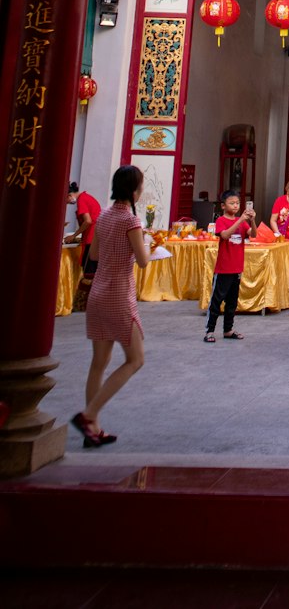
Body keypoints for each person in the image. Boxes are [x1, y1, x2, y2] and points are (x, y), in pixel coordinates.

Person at [73, 164, 151, 448]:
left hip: (98, 293)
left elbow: (94, 253)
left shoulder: (104, 217)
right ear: (133, 190)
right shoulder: (130, 221)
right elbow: (142, 261)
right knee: (136, 359)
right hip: (119, 294)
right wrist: (148, 245)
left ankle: (92, 430)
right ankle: (89, 415)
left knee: (99, 363)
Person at [204, 190, 256, 342]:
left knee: (232, 302)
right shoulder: (221, 220)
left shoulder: (243, 221)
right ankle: (210, 330)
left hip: (237, 267)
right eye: (232, 203)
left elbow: (253, 235)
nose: (235, 206)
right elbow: (225, 235)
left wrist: (252, 220)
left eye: (237, 203)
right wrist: (239, 221)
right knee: (217, 300)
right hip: (224, 268)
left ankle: (228, 329)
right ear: (223, 205)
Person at [65, 180, 102, 266]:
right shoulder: (86, 197)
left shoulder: (81, 199)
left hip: (91, 238)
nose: (68, 203)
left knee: (88, 272)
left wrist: (73, 236)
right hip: (95, 238)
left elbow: (88, 221)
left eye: (66, 200)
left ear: (69, 195)